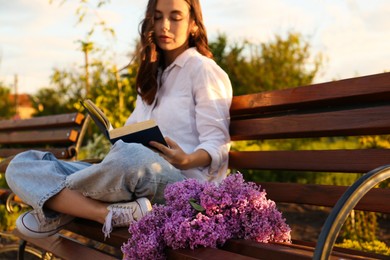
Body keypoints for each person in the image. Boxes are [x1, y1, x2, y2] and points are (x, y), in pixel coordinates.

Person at [6, 0, 232, 240]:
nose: (164, 26)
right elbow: (131, 133)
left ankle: (60, 208)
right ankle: (104, 213)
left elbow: (217, 143)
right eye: (157, 17)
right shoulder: (151, 77)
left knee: (129, 157)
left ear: (194, 25)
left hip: (182, 182)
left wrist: (186, 159)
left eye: (175, 17)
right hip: (132, 176)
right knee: (21, 165)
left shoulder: (204, 70)